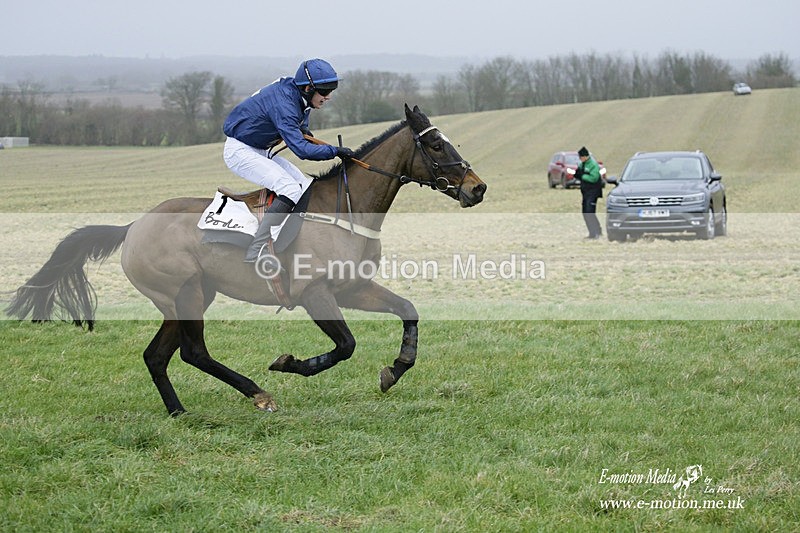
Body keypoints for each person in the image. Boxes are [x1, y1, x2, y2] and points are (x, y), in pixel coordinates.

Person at [222, 58, 355, 263]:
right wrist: (334, 151)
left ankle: (295, 237)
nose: (328, 97)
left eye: (331, 90)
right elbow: (301, 150)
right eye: (324, 91)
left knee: (305, 186)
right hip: (240, 151)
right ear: (308, 88)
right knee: (290, 189)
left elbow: (301, 126)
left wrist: (308, 134)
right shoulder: (284, 103)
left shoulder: (301, 95)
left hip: (259, 148)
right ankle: (258, 247)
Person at [575, 146, 603, 239]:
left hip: (593, 192)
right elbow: (578, 173)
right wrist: (577, 174)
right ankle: (591, 233)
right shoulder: (582, 164)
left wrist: (583, 176)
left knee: (590, 212)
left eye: (581, 157)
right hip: (585, 192)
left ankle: (597, 232)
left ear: (585, 156)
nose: (580, 159)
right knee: (585, 212)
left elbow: (594, 178)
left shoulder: (593, 164)